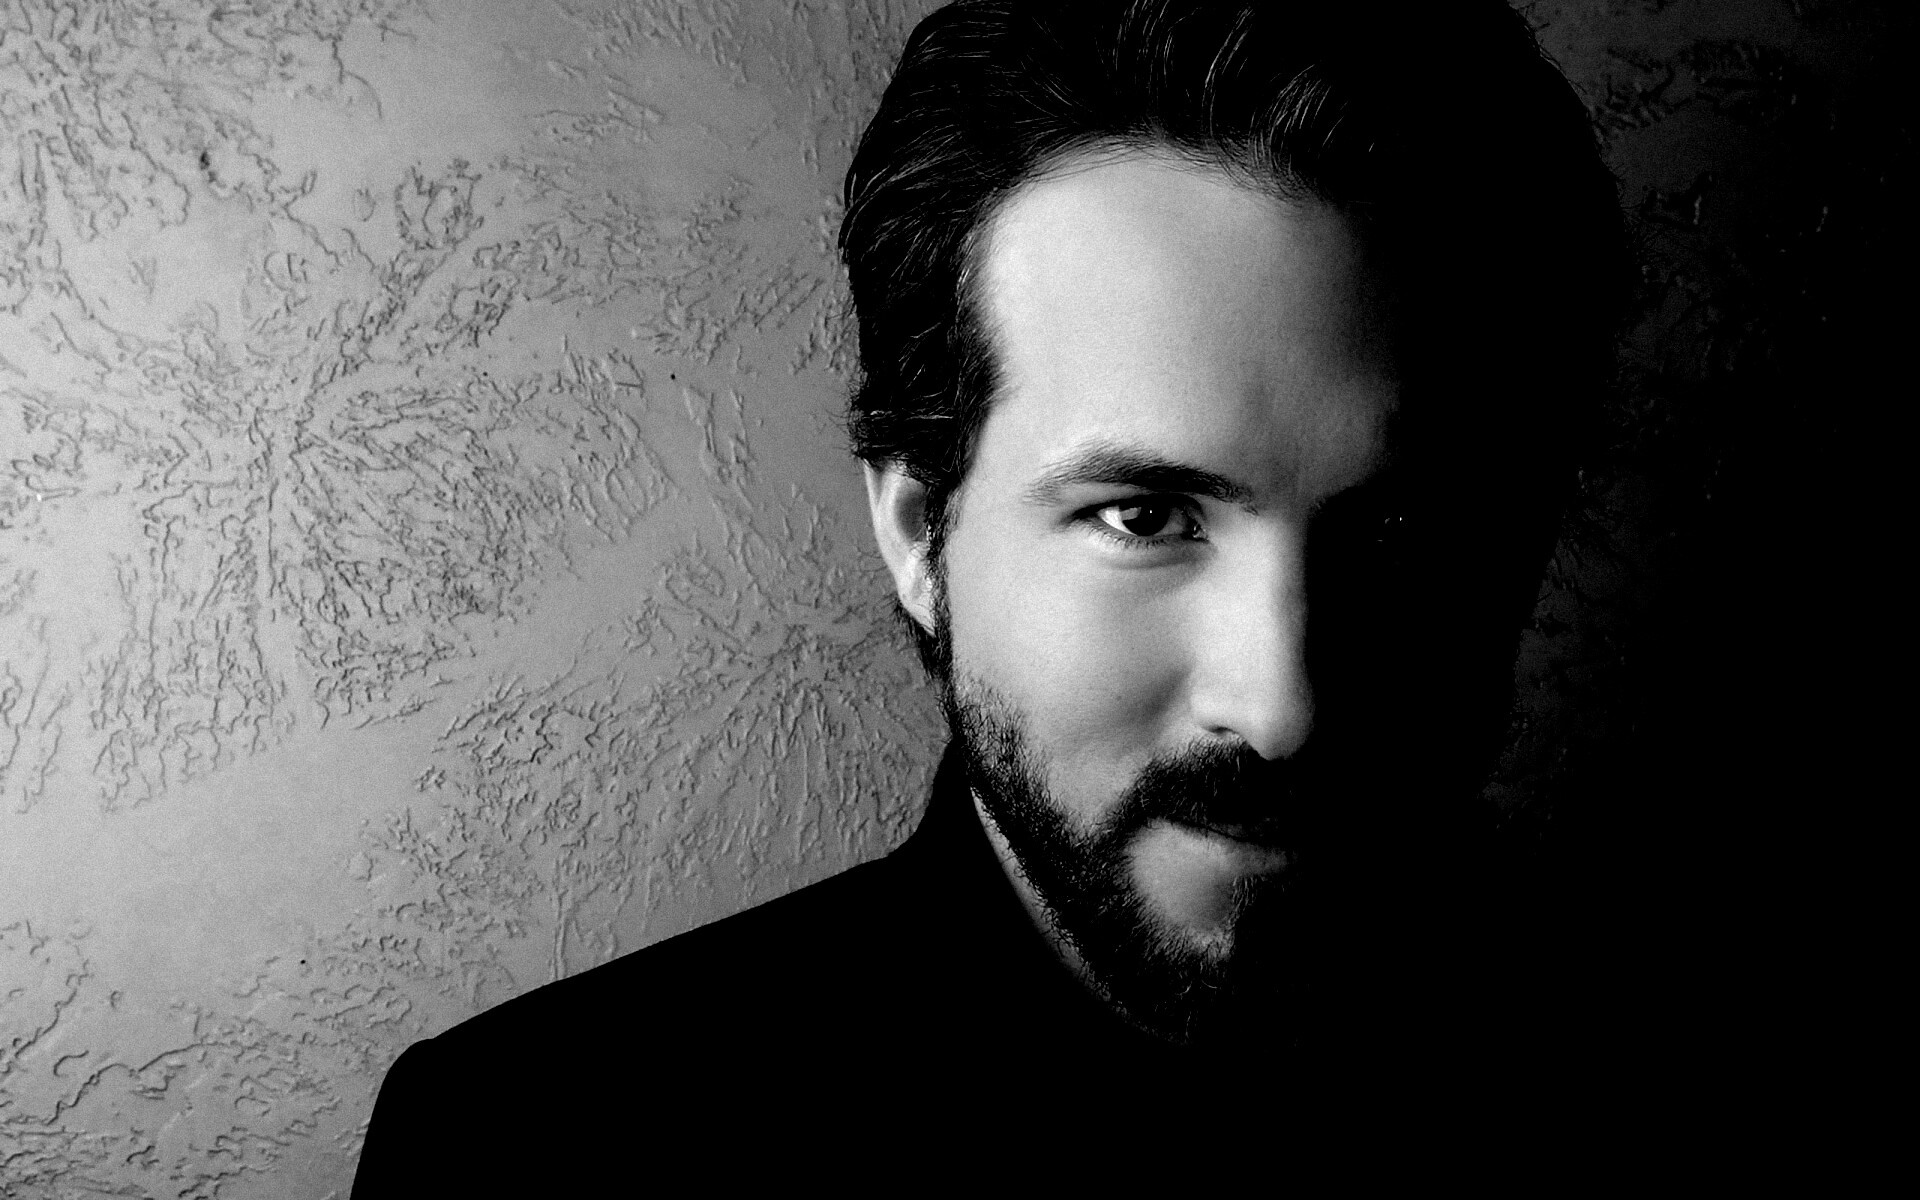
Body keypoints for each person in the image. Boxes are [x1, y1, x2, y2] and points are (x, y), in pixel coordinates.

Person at [352, 1, 1628, 1190]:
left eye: (1404, 531)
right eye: (1144, 518)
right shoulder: (532, 1146)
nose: (1281, 705)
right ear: (922, 532)